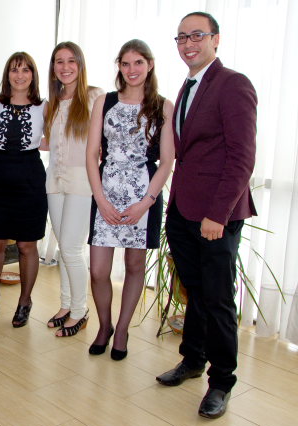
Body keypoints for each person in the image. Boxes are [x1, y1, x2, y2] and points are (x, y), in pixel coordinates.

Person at [156, 12, 257, 419]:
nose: (188, 43)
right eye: (181, 37)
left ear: (216, 39)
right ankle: (193, 359)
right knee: (195, 292)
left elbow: (242, 157)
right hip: (183, 209)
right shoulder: (188, 86)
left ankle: (222, 381)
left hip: (216, 215)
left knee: (217, 299)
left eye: (197, 35)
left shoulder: (233, 84)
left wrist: (218, 214)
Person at [86, 39, 174, 360]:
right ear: (119, 67)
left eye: (138, 62)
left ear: (150, 65)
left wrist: (145, 203)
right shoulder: (105, 102)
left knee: (134, 265)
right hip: (105, 192)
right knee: (98, 270)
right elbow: (91, 155)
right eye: (125, 63)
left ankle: (122, 330)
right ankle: (104, 325)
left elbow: (167, 161)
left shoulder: (163, 106)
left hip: (143, 196)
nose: (132, 69)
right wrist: (101, 199)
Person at [0, 52, 47, 328]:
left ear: (33, 75)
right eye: (14, 70)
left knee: (26, 245)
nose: (20, 75)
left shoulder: (44, 107)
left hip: (30, 180)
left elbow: (56, 141)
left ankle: (25, 301)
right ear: (7, 74)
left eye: (25, 70)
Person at [44, 41, 104, 337]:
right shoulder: (53, 102)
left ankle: (80, 311)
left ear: (80, 65)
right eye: (59, 61)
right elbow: (49, 143)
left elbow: (105, 138)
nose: (65, 67)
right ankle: (66, 304)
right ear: (53, 67)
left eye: (71, 61)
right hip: (54, 180)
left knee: (70, 247)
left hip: (82, 182)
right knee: (63, 245)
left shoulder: (95, 96)